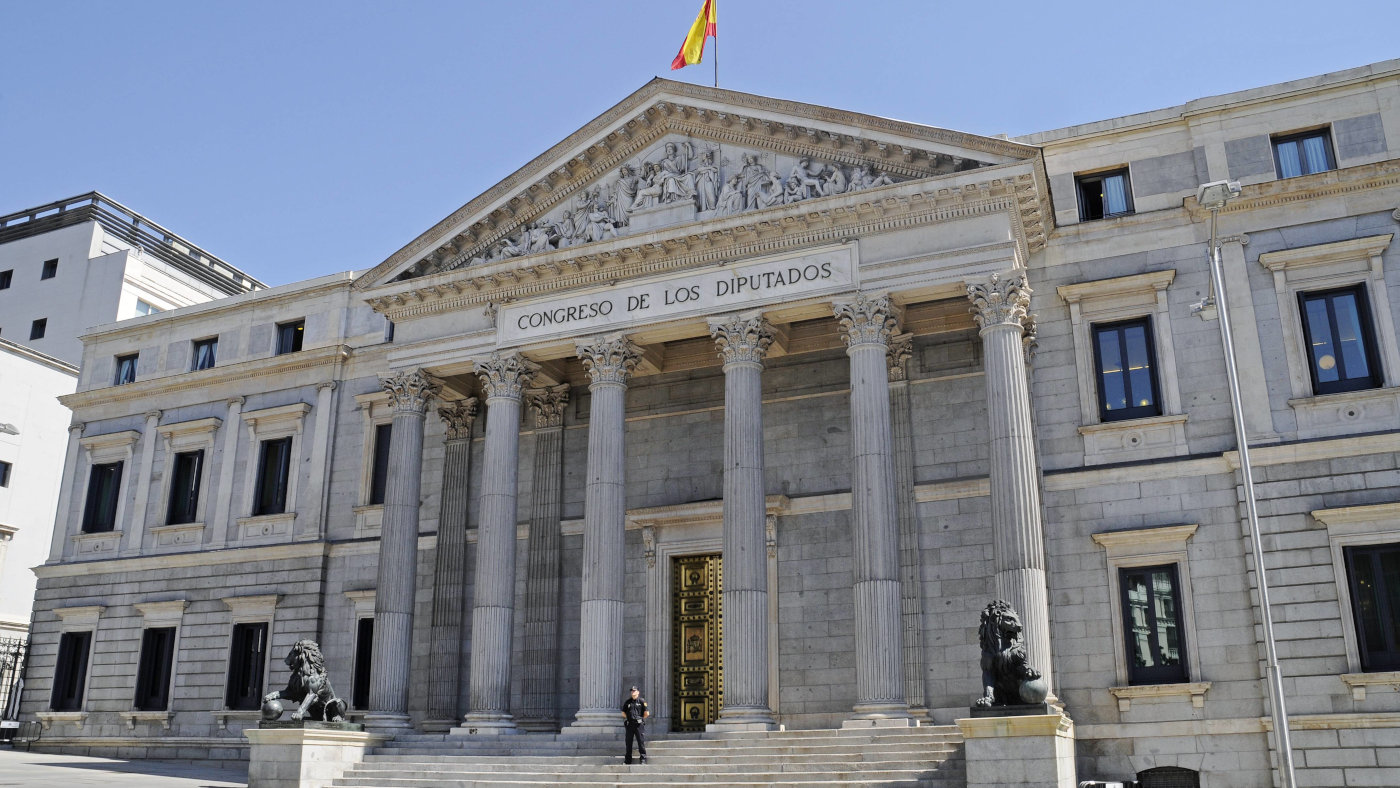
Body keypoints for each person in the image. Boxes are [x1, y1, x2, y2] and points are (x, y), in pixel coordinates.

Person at [621, 685, 649, 765]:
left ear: (638, 692)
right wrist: (629, 718)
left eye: (634, 691)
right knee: (628, 742)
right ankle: (628, 760)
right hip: (630, 725)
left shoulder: (641, 701)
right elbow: (623, 713)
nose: (633, 692)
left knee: (641, 742)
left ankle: (643, 759)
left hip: (639, 725)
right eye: (632, 691)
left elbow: (647, 713)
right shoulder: (628, 702)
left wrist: (640, 719)